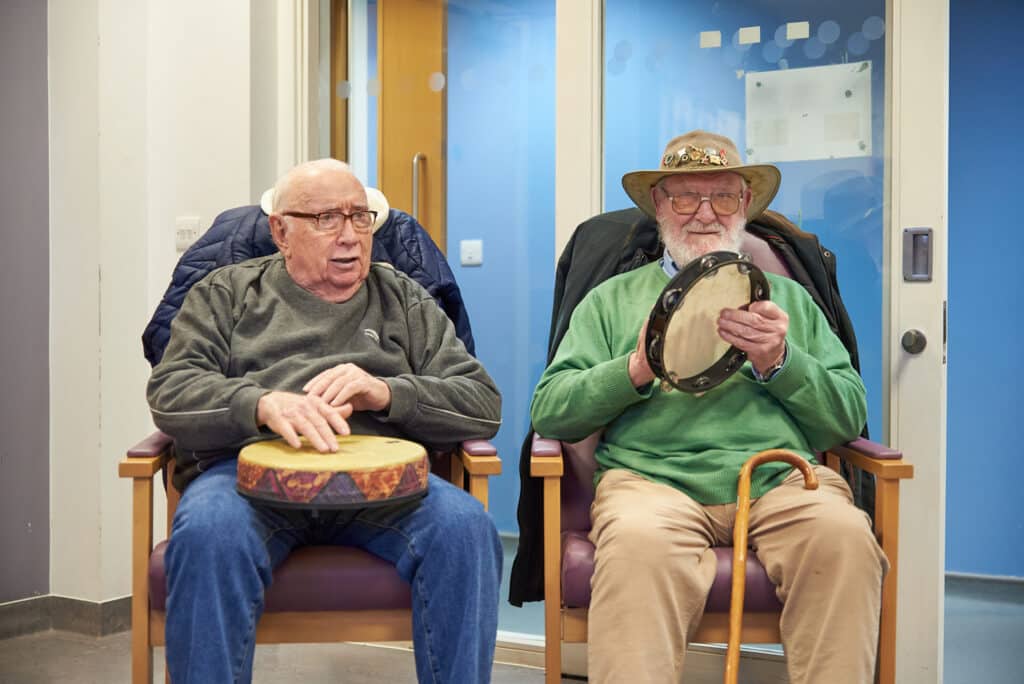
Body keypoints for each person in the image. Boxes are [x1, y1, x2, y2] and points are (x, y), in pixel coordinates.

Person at [530, 131, 887, 684]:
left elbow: (845, 418)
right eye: (685, 197)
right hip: (652, 484)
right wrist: (637, 366)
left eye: (722, 196)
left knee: (844, 540)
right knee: (636, 552)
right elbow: (551, 411)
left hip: (779, 480)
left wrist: (781, 361)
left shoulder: (789, 300)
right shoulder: (612, 299)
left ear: (744, 205)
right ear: (658, 205)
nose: (704, 213)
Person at [147, 158, 503, 684]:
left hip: (385, 487)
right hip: (248, 482)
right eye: (326, 219)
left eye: (360, 217)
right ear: (280, 231)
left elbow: (481, 402)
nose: (351, 236)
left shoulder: (402, 297)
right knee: (207, 532)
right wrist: (260, 404)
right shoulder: (226, 293)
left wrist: (386, 393)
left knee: (466, 528)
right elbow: (171, 391)